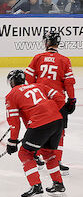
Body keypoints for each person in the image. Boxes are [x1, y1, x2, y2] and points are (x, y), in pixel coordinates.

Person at [4, 70, 66, 197]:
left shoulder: (11, 94)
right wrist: (50, 112)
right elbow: (60, 98)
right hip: (57, 120)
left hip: (40, 123)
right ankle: (58, 185)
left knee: (25, 153)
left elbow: (14, 121)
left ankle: (36, 188)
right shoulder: (39, 85)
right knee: (48, 153)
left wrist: (12, 141)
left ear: (11, 82)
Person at [25, 31, 76, 174]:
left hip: (41, 100)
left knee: (38, 127)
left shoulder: (38, 58)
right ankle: (56, 161)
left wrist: (34, 92)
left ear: (46, 43)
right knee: (59, 131)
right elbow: (69, 82)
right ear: (57, 43)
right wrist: (72, 100)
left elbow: (28, 77)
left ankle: (35, 156)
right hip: (58, 102)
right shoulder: (64, 60)